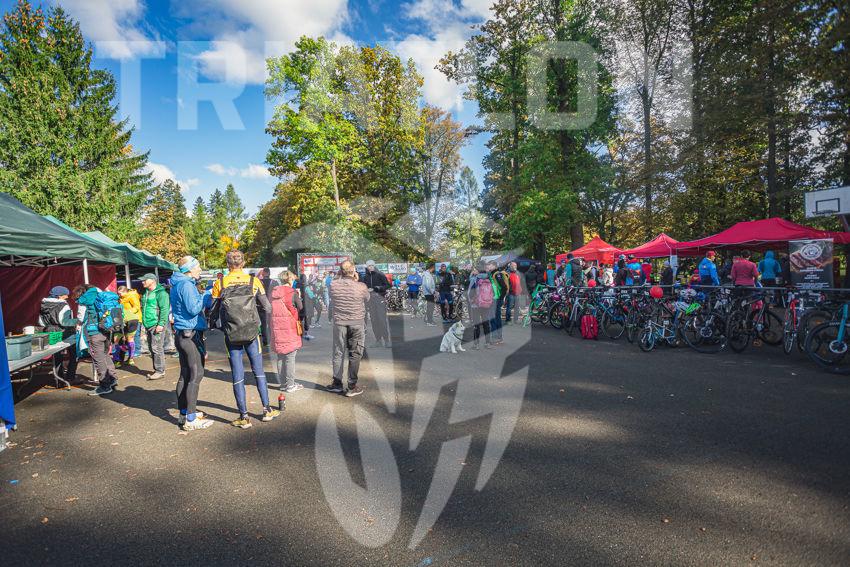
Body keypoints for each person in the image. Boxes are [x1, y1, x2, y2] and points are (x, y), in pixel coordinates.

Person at [210, 250, 278, 429]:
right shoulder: (253, 281)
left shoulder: (220, 283)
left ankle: (244, 416)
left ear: (227, 264)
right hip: (252, 333)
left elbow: (213, 311)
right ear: (243, 263)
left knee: (237, 373)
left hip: (231, 334)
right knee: (259, 371)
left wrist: (214, 325)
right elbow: (268, 307)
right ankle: (267, 410)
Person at [170, 256, 214, 431]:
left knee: (185, 375)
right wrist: (206, 294)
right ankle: (191, 418)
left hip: (182, 334)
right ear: (189, 269)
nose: (199, 269)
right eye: (197, 266)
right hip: (190, 334)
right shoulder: (186, 284)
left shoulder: (177, 282)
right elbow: (194, 308)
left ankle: (184, 414)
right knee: (196, 375)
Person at [327, 261, 370, 397]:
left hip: (339, 323)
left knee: (338, 352)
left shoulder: (333, 285)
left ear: (340, 271)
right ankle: (351, 386)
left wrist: (340, 276)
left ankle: (337, 384)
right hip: (357, 323)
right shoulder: (361, 286)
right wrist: (356, 281)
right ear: (354, 271)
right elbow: (367, 298)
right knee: (355, 353)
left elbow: (332, 291)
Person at [75, 284, 120, 396]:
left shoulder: (85, 299)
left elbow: (81, 317)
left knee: (98, 359)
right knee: (105, 355)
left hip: (94, 332)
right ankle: (113, 379)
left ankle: (105, 385)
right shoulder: (102, 295)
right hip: (106, 329)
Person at [269, 270, 304, 394]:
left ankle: (283, 384)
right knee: (290, 357)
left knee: (280, 356)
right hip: (290, 327)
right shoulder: (292, 293)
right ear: (290, 279)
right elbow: (300, 307)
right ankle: (290, 385)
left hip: (276, 328)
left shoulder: (273, 293)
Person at [38, 285, 79, 385]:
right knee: (74, 353)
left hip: (50, 333)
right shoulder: (63, 305)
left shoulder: (44, 305)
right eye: (65, 295)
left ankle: (59, 381)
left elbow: (41, 322)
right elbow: (64, 322)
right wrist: (77, 321)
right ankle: (70, 377)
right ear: (59, 296)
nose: (67, 297)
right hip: (64, 333)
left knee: (56, 355)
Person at [140, 274, 170, 381]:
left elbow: (164, 309)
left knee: (156, 348)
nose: (142, 282)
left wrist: (161, 324)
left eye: (144, 280)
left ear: (152, 281)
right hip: (148, 324)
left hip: (156, 324)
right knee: (152, 348)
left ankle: (160, 371)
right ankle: (158, 369)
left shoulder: (161, 293)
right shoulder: (146, 293)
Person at [361, 260, 391, 347]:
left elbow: (387, 285)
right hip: (370, 300)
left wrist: (376, 288)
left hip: (380, 299)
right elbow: (364, 287)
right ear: (367, 267)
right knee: (374, 320)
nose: (370, 267)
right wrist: (366, 290)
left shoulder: (380, 274)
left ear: (374, 266)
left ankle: (386, 340)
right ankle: (378, 340)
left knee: (382, 320)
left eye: (372, 265)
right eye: (369, 266)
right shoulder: (365, 276)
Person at [114, 285, 141, 367]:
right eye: (118, 293)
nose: (119, 295)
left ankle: (132, 356)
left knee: (132, 338)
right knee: (121, 339)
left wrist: (127, 314)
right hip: (124, 320)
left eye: (120, 293)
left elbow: (137, 307)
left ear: (125, 292)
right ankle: (122, 358)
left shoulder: (132, 295)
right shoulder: (121, 298)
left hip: (134, 319)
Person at [467, 265, 494, 349]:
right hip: (486, 304)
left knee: (476, 324)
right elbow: (493, 291)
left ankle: (476, 344)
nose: (474, 271)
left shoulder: (475, 279)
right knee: (486, 323)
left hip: (476, 305)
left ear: (478, 271)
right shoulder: (489, 279)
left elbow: (470, 292)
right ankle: (487, 343)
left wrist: (471, 301)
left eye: (475, 270)